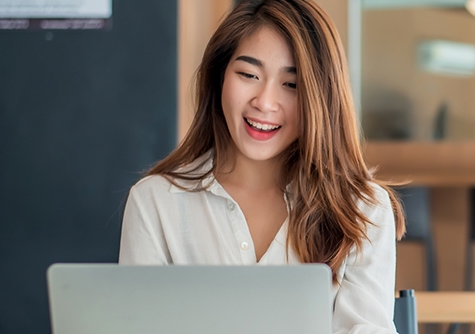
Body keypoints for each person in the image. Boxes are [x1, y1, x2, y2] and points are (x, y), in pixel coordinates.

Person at [118, 0, 406, 332]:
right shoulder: (156, 202)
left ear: (320, 98)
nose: (265, 102)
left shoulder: (361, 208)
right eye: (248, 74)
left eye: (291, 85)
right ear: (219, 77)